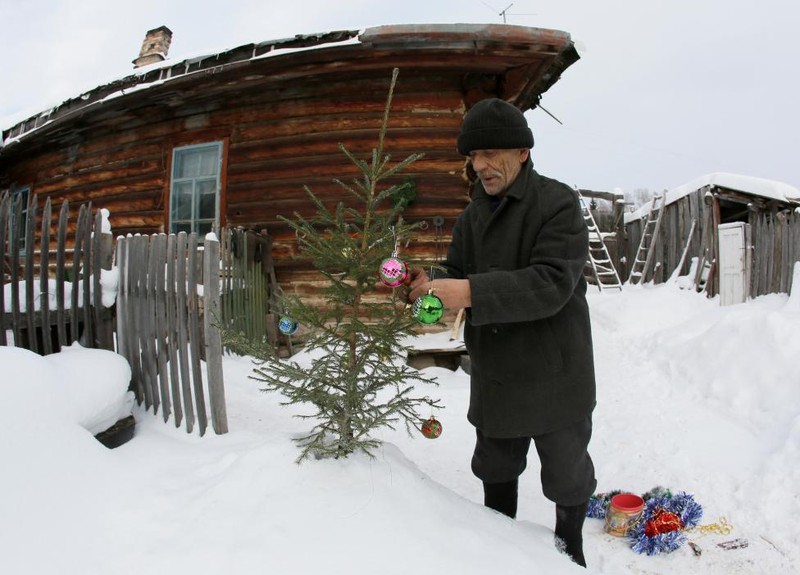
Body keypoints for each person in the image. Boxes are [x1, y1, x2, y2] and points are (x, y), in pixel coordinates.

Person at [405, 98, 597, 567]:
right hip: (496, 374)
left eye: (492, 154)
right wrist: (425, 287)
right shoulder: (473, 215)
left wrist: (466, 291)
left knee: (567, 475)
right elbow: (454, 271)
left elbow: (550, 283)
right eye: (473, 156)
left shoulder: (557, 203)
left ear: (523, 152)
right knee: (496, 469)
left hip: (555, 371)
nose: (481, 165)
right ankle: (500, 553)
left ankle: (570, 551)